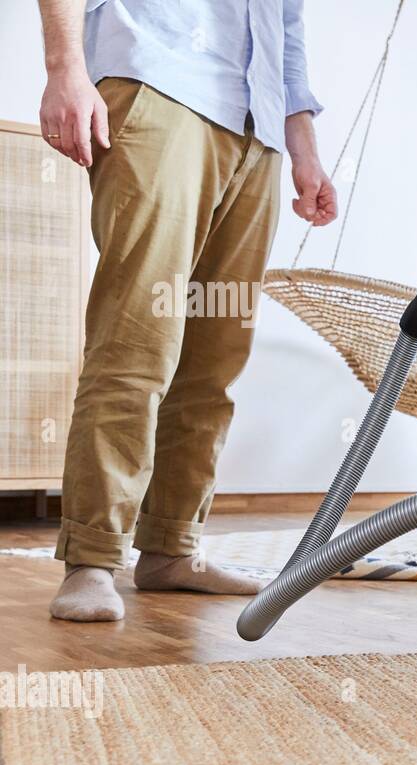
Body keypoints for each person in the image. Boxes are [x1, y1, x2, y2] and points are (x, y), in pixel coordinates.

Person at [36, 0, 337, 622]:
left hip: (257, 129)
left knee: (215, 354)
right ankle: (93, 556)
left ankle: (171, 546)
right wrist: (65, 70)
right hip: (161, 84)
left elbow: (287, 29)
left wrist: (302, 145)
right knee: (136, 339)